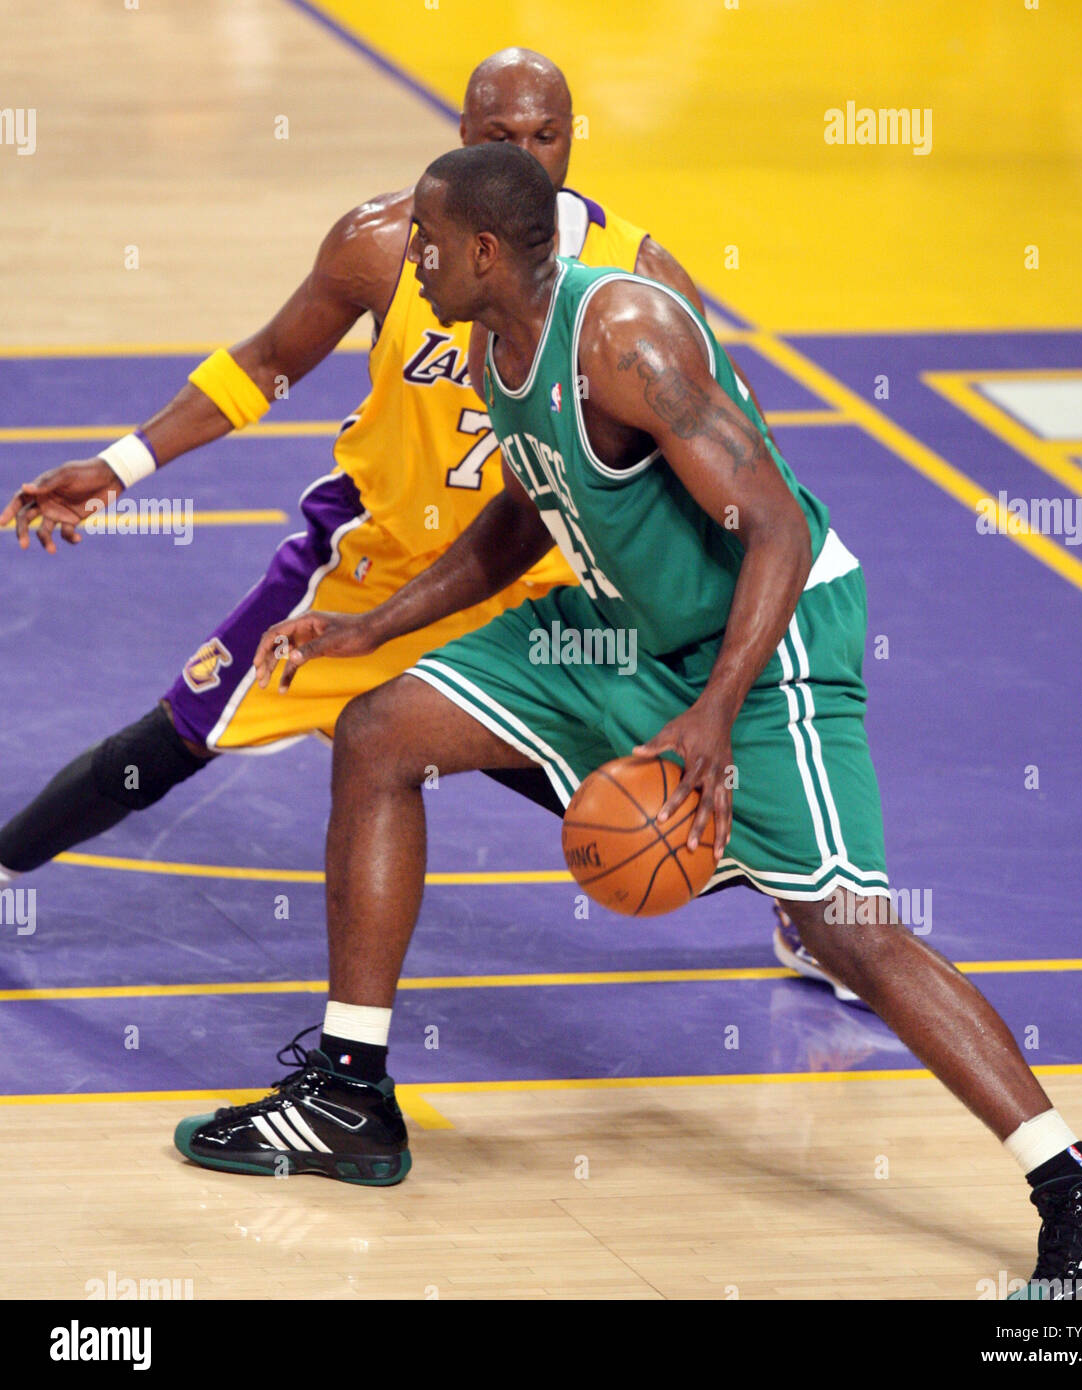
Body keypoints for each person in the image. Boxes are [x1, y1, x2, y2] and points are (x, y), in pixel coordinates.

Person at [175, 143, 1082, 1301]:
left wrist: (712, 714)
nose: (413, 257)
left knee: (846, 926)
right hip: (626, 625)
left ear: (486, 250)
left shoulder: (625, 339)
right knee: (381, 731)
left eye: (429, 243)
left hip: (768, 639)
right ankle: (349, 1094)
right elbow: (523, 512)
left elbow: (779, 530)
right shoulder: (493, 340)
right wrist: (373, 624)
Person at [0, 46, 701, 879]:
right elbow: (267, 362)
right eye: (500, 134)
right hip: (374, 567)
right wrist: (121, 465)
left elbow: (697, 465)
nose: (524, 157)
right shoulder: (382, 245)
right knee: (182, 731)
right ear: (464, 133)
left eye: (546, 135)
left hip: (545, 580)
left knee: (656, 789)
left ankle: (808, 910)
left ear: (572, 139)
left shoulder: (640, 276)